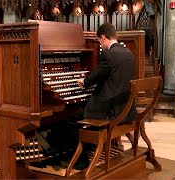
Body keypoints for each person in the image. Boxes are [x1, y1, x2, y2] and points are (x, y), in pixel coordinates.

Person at [47, 22, 138, 169]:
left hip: (109, 110)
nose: (100, 45)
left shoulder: (108, 54)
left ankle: (81, 160)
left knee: (70, 120)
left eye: (99, 41)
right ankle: (74, 149)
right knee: (76, 113)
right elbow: (110, 76)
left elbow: (95, 77)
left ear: (102, 38)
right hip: (124, 109)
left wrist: (84, 81)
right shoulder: (128, 53)